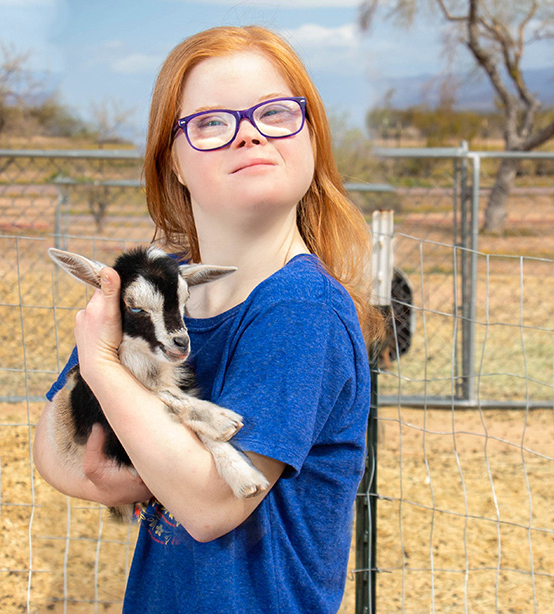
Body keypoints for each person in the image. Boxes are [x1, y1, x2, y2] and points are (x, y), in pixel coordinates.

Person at [33, 25, 383, 613]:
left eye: (274, 113)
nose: (248, 135)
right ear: (173, 161)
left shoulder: (300, 309)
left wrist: (102, 366)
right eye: (213, 123)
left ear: (312, 137)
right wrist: (161, 462)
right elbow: (57, 451)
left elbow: (211, 505)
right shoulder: (156, 282)